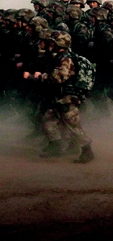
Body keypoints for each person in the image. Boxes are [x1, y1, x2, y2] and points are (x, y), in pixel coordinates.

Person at [23, 31, 95, 163]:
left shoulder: (66, 59)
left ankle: (87, 150)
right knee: (48, 120)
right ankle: (55, 146)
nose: (50, 45)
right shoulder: (60, 57)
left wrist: (39, 77)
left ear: (59, 44)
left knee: (73, 126)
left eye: (52, 43)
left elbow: (58, 78)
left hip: (67, 98)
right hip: (59, 97)